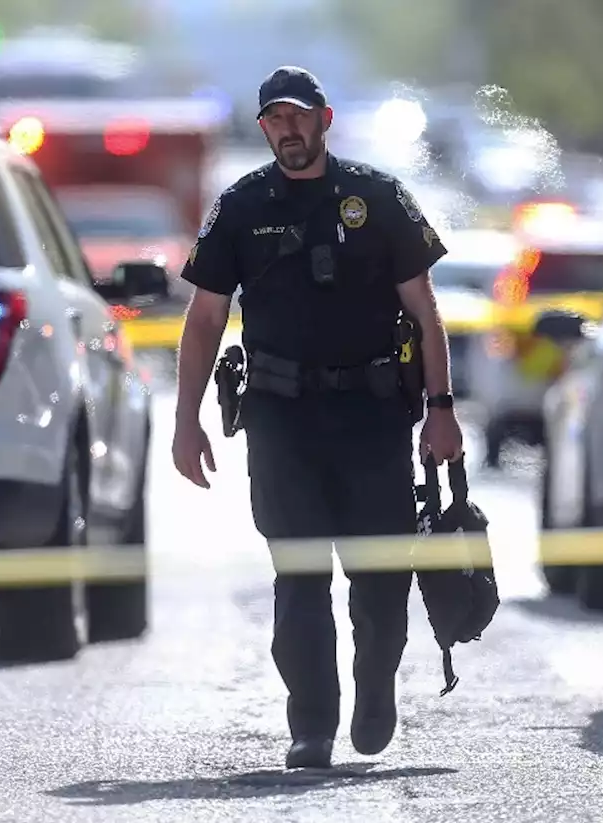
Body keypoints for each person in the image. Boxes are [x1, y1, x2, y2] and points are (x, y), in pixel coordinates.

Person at [171, 65, 464, 769]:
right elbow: (205, 317)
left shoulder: (377, 194)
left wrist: (442, 410)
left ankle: (374, 686)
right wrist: (186, 421)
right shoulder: (241, 206)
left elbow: (424, 309)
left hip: (372, 416)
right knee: (298, 576)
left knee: (381, 577)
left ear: (324, 120)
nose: (288, 129)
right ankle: (311, 724)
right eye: (275, 118)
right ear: (264, 127)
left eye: (299, 116)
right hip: (282, 420)